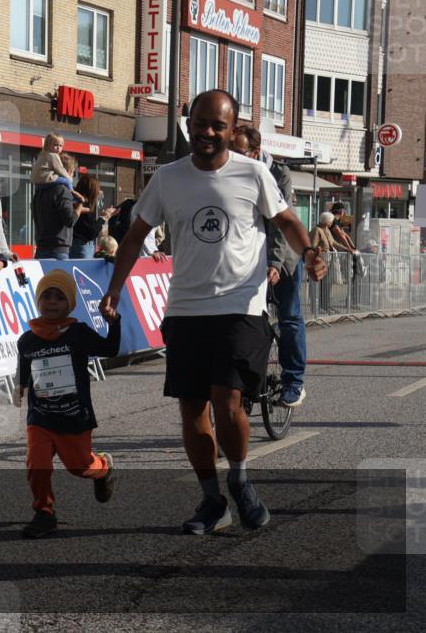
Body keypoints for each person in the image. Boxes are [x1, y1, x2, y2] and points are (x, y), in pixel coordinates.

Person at [99, 89, 326, 535]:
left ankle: (240, 477)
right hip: (185, 309)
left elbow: (287, 223)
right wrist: (113, 290)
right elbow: (133, 237)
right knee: (191, 408)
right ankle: (211, 499)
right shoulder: (167, 178)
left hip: (241, 305)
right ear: (188, 123)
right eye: (200, 123)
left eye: (217, 125)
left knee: (228, 400)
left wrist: (312, 252)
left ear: (232, 129)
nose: (206, 132)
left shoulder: (254, 173)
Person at [13, 269, 120, 538]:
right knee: (36, 464)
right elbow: (25, 362)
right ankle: (44, 513)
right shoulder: (28, 338)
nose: (51, 302)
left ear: (69, 303)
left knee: (79, 467)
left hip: (74, 417)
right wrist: (19, 385)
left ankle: (102, 468)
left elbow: (110, 349)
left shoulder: (78, 333)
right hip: (41, 418)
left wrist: (114, 322)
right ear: (38, 301)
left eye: (59, 297)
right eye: (46, 296)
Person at [231, 126, 307, 407]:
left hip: (283, 256)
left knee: (289, 318)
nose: (233, 157)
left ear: (255, 151)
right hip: (252, 256)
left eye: (238, 152)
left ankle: (294, 381)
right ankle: (249, 377)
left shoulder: (279, 174)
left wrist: (275, 263)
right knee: (248, 319)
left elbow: (281, 223)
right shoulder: (234, 172)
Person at [33, 154, 82, 260]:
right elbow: (70, 220)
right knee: (58, 277)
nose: (72, 176)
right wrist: (80, 205)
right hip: (58, 251)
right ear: (66, 171)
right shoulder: (62, 190)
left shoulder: (39, 191)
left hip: (41, 248)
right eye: (73, 172)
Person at [70, 175, 116, 259]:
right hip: (82, 247)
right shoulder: (84, 206)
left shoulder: (76, 203)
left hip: (76, 245)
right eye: (97, 189)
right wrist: (103, 218)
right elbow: (91, 232)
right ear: (91, 191)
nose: (98, 192)